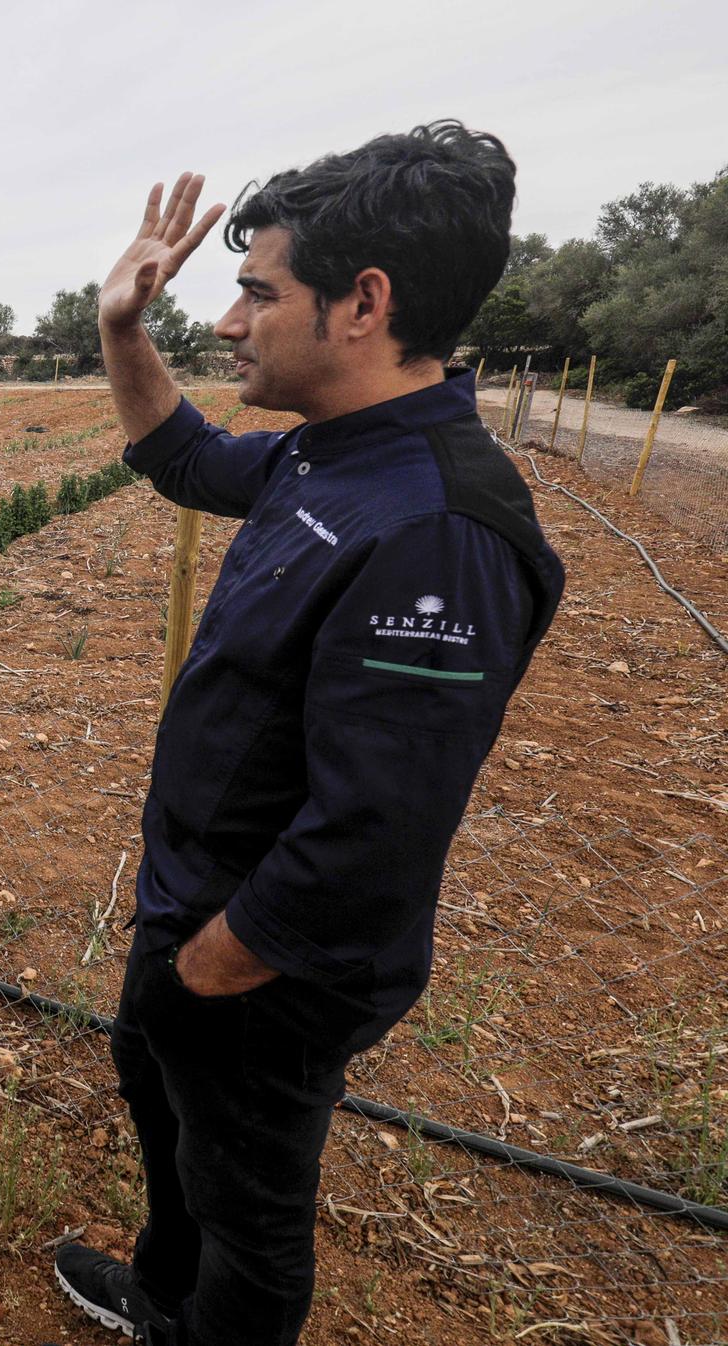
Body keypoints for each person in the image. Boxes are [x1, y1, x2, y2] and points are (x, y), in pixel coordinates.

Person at [49, 122, 566, 1345]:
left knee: (248, 1204)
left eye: (254, 290)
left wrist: (204, 973)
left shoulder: (439, 528)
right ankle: (158, 1295)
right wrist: (121, 326)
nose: (226, 322)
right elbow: (180, 456)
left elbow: (366, 843)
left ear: (361, 303)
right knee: (168, 1115)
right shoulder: (329, 457)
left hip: (267, 963)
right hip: (201, 910)